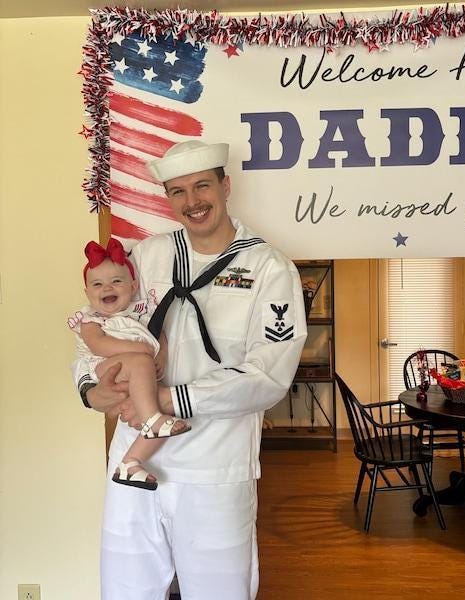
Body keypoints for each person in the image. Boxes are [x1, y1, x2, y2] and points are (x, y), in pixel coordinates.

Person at [71, 139, 307, 599]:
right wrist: (88, 388)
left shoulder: (269, 268)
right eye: (178, 191)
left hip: (215, 468)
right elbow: (97, 324)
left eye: (202, 186)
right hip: (132, 462)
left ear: (225, 186)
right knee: (124, 590)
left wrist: (167, 399)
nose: (192, 201)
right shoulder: (147, 257)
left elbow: (269, 374)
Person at [70, 238, 191, 491]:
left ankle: (131, 463)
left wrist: (161, 355)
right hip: (100, 368)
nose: (107, 288)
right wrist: (140, 351)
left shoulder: (140, 313)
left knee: (162, 413)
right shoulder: (92, 319)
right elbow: (99, 345)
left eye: (116, 281)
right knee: (146, 386)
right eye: (97, 284)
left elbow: (159, 335)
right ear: (87, 292)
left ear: (133, 285)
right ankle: (151, 420)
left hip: (135, 372)